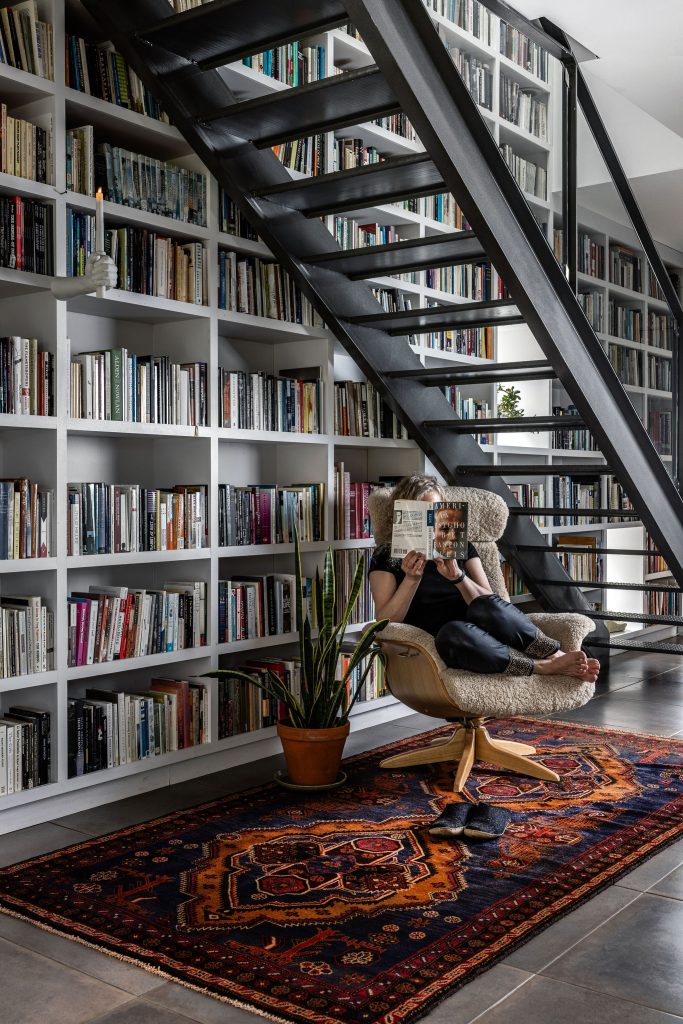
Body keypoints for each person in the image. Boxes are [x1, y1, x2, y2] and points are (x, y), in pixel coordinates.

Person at [369, 474, 600, 681]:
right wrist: (410, 580)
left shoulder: (461, 548)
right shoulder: (387, 557)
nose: (432, 521)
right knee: (452, 633)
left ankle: (556, 655)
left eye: (437, 511)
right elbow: (385, 621)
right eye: (422, 513)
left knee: (484, 603)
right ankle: (542, 667)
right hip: (454, 640)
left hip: (485, 627)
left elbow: (491, 601)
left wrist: (458, 578)